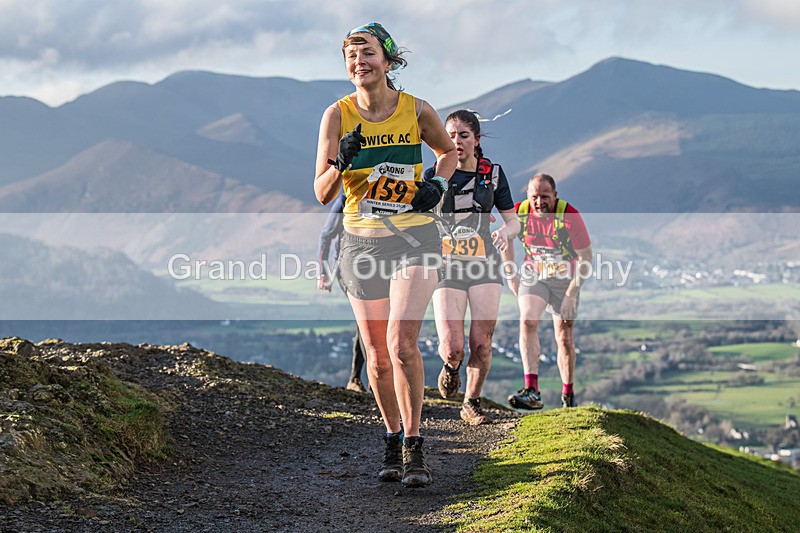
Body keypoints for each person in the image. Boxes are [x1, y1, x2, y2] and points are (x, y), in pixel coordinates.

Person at [314, 22, 456, 488]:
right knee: (376, 357)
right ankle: (392, 438)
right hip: (360, 243)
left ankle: (415, 444)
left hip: (414, 238)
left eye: (368, 52)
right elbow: (321, 192)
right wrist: (340, 161)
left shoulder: (416, 109)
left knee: (400, 344)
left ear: (389, 61)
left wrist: (437, 184)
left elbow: (447, 152)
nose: (360, 62)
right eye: (351, 56)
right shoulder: (336, 115)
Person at [426, 110, 519, 425]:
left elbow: (513, 221)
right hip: (447, 265)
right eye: (450, 136)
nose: (457, 141)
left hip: (484, 263)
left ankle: (472, 403)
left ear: (476, 139)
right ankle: (451, 367)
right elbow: (420, 219)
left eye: (463, 135)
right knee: (453, 348)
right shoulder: (435, 175)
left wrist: (506, 232)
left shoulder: (492, 174)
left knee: (481, 342)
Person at [501, 173, 592, 409]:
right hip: (534, 276)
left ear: (555, 196)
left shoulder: (569, 215)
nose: (539, 202)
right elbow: (505, 239)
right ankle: (531, 390)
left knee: (564, 336)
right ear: (527, 196)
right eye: (534, 197)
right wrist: (511, 276)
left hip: (565, 280)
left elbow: (586, 258)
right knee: (528, 321)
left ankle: (568, 396)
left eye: (545, 197)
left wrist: (572, 294)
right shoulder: (519, 212)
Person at [316, 193, 367, 393]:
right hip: (348, 269)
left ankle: (359, 377)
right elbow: (326, 235)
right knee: (368, 319)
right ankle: (364, 378)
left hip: (382, 268)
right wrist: (324, 273)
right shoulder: (346, 200)